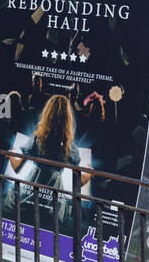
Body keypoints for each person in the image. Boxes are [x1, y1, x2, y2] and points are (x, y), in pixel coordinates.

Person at [6, 94, 92, 231]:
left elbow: (16, 168)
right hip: (53, 195)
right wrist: (90, 173)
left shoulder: (37, 138)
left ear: (47, 113)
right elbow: (78, 182)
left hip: (32, 189)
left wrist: (11, 155)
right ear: (67, 119)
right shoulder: (68, 145)